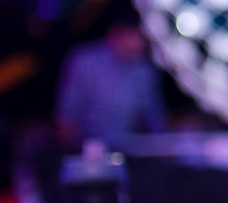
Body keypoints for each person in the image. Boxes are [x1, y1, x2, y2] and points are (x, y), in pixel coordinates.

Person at [53, 11, 167, 144]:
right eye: (133, 35)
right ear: (114, 34)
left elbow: (153, 119)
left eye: (143, 38)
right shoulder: (83, 61)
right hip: (87, 147)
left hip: (130, 147)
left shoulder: (144, 70)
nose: (139, 43)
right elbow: (66, 115)